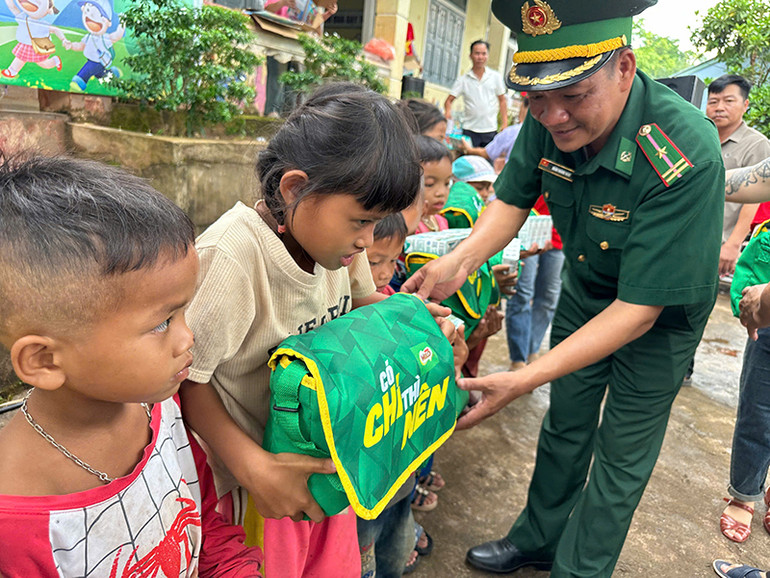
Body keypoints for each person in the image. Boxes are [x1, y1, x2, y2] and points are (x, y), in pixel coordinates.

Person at [401, 0, 724, 575]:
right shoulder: (550, 117)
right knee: (565, 425)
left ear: (624, 67)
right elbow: (514, 196)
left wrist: (522, 377)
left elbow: (640, 311)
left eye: (573, 97)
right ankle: (539, 539)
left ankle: (580, 568)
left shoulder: (684, 149)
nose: (553, 116)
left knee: (620, 457)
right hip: (586, 288)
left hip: (657, 317)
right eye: (537, 99)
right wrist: (463, 259)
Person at [178, 84, 452, 577]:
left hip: (329, 456)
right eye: (361, 221)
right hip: (258, 484)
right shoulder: (232, 258)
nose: (368, 240)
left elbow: (364, 304)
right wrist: (253, 468)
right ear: (294, 188)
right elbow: (186, 382)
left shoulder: (337, 247)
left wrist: (407, 324)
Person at [0, 155, 262, 577]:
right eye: (162, 322)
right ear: (45, 360)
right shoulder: (16, 526)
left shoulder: (162, 411)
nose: (187, 336)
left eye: (183, 312)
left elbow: (207, 527)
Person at [707, 75, 770, 279]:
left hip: (722, 240)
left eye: (729, 101)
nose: (719, 107)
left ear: (745, 105)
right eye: (713, 101)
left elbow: (757, 195)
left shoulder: (757, 144)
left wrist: (733, 244)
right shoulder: (701, 137)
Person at [444, 40, 508, 148]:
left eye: (484, 54)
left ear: (487, 55)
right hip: (469, 130)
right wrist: (448, 112)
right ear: (470, 55)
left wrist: (505, 123)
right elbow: (449, 100)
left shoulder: (495, 77)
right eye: (477, 53)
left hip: (490, 130)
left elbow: (502, 100)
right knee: (468, 162)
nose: (480, 57)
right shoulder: (463, 80)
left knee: (487, 163)